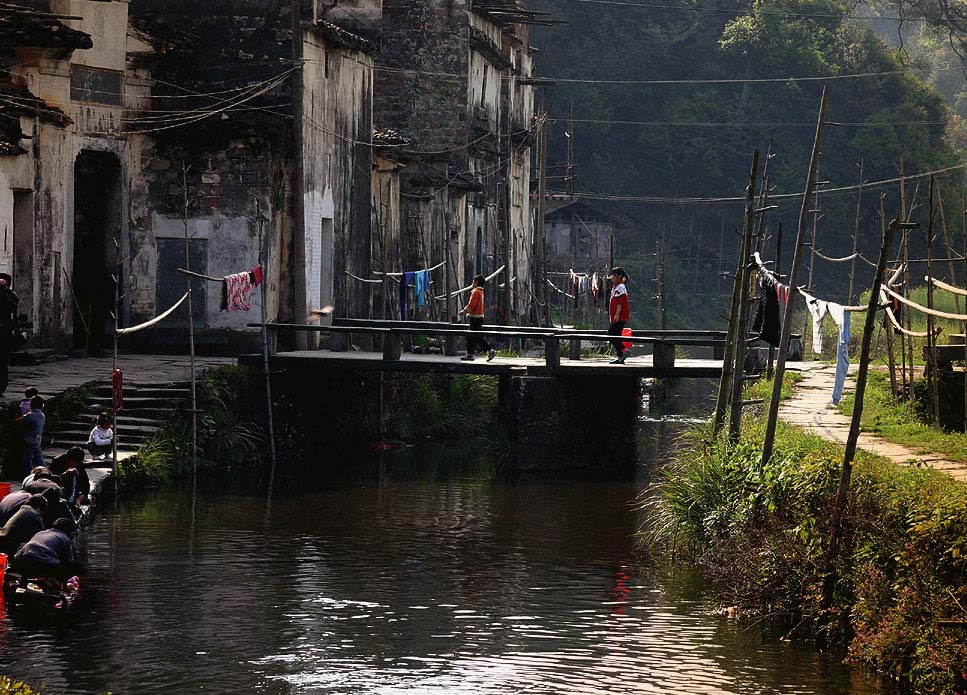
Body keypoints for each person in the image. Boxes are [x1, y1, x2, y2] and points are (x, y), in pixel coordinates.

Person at [11, 518, 77, 581]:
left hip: (20, 560)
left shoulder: (41, 533)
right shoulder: (64, 538)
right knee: (69, 566)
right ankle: (60, 585)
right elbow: (69, 560)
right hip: (41, 564)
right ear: (69, 531)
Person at [458, 275, 496, 362]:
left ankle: (489, 350)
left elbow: (472, 304)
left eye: (473, 281)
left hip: (475, 317)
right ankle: (470, 354)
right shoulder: (481, 292)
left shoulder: (476, 292)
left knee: (474, 336)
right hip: (479, 316)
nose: (472, 283)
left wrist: (464, 311)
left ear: (476, 282)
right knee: (472, 336)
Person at [0, 272, 19, 396]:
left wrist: (3, 291)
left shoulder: (10, 295)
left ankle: (1, 387)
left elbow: (12, 307)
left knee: (2, 362)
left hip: (3, 332)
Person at [608, 267, 631, 365]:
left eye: (613, 275)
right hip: (618, 316)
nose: (611, 277)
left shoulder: (620, 287)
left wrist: (617, 315)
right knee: (615, 335)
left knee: (611, 334)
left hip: (620, 316)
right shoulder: (616, 286)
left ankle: (624, 351)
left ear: (619, 276)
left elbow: (619, 302)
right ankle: (620, 357)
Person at [18, 395, 46, 475]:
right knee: (38, 457)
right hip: (37, 439)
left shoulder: (31, 415)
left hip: (29, 439)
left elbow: (22, 422)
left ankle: (30, 474)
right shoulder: (42, 415)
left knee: (27, 458)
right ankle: (45, 471)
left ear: (32, 405)